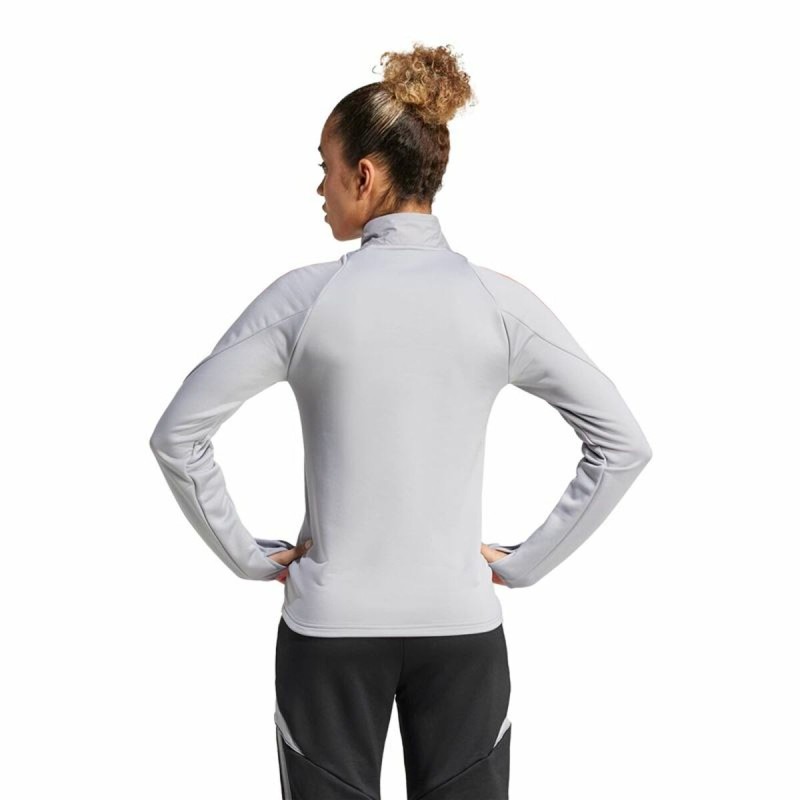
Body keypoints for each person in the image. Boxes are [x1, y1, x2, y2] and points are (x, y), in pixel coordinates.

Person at [149, 42, 652, 800]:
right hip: (461, 631)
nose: (319, 187)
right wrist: (522, 564)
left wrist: (250, 557)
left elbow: (178, 437)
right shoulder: (497, 303)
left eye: (325, 167)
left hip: (330, 635)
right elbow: (622, 445)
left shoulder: (304, 301)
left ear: (364, 175)